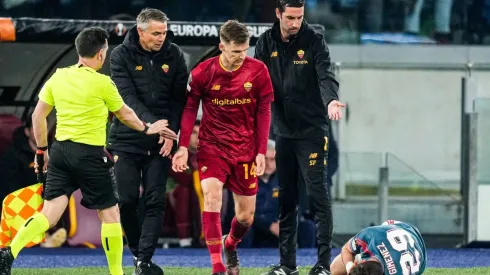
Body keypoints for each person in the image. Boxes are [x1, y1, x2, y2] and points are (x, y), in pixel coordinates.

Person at [0, 27, 175, 275]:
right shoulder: (103, 82)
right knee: (111, 214)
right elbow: (125, 114)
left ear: (78, 51)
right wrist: (148, 128)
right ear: (101, 54)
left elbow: (38, 116)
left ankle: (9, 253)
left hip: (60, 152)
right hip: (91, 155)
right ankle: (117, 272)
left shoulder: (58, 76)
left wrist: (42, 150)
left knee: (49, 213)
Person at [172, 20, 274, 275]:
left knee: (245, 218)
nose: (241, 56)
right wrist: (183, 146)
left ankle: (231, 244)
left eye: (244, 50)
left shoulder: (258, 71)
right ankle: (217, 265)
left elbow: (264, 111)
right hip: (212, 147)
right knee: (213, 196)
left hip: (245, 150)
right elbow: (188, 109)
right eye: (235, 51)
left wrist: (261, 151)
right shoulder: (203, 72)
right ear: (221, 46)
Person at [254, 1, 345, 274]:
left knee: (318, 197)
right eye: (291, 17)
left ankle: (324, 264)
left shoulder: (314, 41)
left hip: (312, 131)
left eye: (300, 17)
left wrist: (331, 101)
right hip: (282, 131)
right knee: (287, 199)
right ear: (279, 14)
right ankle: (287, 266)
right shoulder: (265, 42)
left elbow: (325, 76)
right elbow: (258, 81)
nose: (295, 23)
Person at [107, 7, 189, 275]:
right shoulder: (120, 54)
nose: (161, 38)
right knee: (128, 200)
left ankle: (144, 261)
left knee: (155, 200)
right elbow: (125, 97)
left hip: (161, 143)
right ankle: (136, 252)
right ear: (140, 31)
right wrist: (150, 125)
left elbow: (180, 100)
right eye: (156, 33)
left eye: (164, 33)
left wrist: (171, 134)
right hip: (127, 138)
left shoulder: (174, 54)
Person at [240, 140, 316, 249]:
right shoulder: (245, 180)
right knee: (243, 228)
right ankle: (242, 263)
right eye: (265, 159)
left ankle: (306, 262)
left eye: (272, 159)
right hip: (256, 228)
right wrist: (269, 225)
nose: (268, 164)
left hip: (281, 226)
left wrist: (286, 224)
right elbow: (241, 213)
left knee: (308, 227)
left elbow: (296, 206)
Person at [330, 220, 427, 275]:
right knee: (335, 269)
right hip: (399, 228)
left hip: (419, 251)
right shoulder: (369, 235)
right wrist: (349, 265)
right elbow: (346, 248)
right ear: (361, 262)